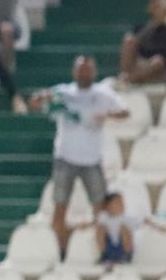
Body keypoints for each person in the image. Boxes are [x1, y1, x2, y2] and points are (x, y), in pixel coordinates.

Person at [28, 56, 129, 251]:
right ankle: (61, 251)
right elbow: (36, 102)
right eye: (81, 70)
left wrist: (106, 115)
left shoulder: (103, 93)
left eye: (88, 70)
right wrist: (40, 98)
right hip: (65, 158)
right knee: (60, 207)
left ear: (94, 72)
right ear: (74, 72)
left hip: (92, 159)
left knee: (99, 209)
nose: (84, 73)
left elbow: (125, 111)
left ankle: (97, 250)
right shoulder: (63, 92)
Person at [120, 0, 166, 87]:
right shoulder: (142, 28)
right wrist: (151, 26)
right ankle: (126, 76)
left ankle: (127, 80)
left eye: (160, 7)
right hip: (142, 65)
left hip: (162, 69)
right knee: (129, 40)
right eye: (156, 7)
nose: (158, 10)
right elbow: (133, 45)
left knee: (157, 61)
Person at [96, 192, 134, 265]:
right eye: (118, 203)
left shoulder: (125, 218)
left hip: (123, 248)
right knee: (100, 228)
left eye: (122, 203)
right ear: (108, 206)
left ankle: (126, 256)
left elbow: (143, 221)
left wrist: (157, 226)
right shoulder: (103, 217)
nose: (122, 205)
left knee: (124, 228)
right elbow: (94, 224)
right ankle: (103, 255)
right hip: (108, 248)